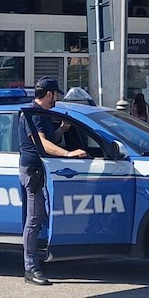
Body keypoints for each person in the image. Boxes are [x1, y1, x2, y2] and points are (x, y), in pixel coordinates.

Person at [18, 76, 87, 286]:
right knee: (34, 219)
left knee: (42, 216)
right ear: (50, 94)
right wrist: (68, 154)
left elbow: (50, 138)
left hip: (43, 171)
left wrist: (62, 130)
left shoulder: (43, 115)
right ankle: (31, 269)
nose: (57, 97)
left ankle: (42, 256)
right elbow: (42, 144)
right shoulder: (32, 114)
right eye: (56, 93)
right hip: (34, 172)